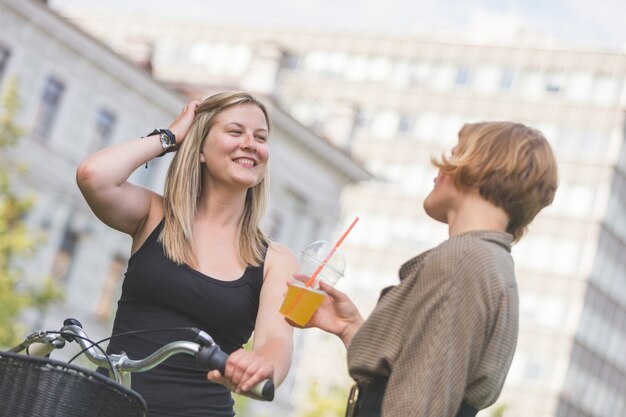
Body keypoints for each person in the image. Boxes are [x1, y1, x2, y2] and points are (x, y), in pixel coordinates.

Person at [288, 121, 558, 417]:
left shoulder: (462, 260)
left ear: (481, 169)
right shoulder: (491, 264)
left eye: (455, 155)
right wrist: (350, 328)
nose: (439, 170)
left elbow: (419, 402)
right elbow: (425, 373)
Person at [76, 92, 297, 417]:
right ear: (201, 147)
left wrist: (261, 367)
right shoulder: (153, 215)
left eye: (260, 137)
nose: (251, 143)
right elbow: (93, 176)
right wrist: (169, 137)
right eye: (236, 132)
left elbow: (276, 341)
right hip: (109, 405)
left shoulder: (275, 260)